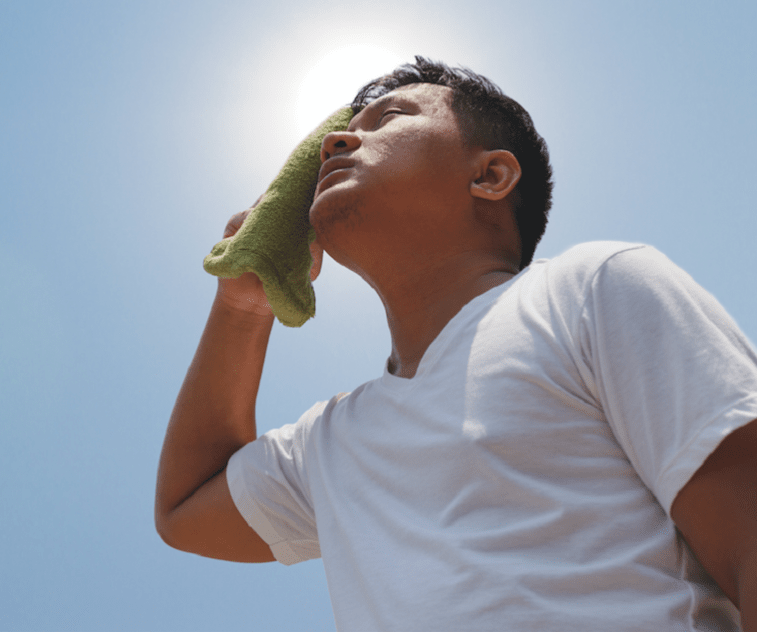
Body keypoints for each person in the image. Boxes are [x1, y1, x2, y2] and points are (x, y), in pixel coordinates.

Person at [154, 57, 757, 631]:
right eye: (338, 135)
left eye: (389, 119)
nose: (334, 143)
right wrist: (241, 305)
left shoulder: (591, 289)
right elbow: (185, 509)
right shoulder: (330, 441)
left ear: (491, 176)